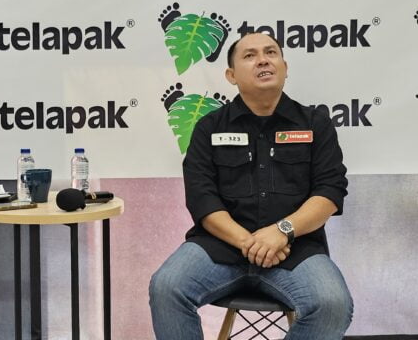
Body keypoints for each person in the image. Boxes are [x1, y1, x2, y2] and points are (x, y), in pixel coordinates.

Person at [149, 32, 353, 339]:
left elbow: (329, 192)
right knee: (166, 287)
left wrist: (281, 232)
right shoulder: (209, 127)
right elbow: (202, 198)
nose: (263, 60)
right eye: (250, 55)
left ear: (285, 67)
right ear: (231, 75)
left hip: (294, 249)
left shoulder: (315, 123)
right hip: (220, 248)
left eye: (271, 53)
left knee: (333, 304)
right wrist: (250, 242)